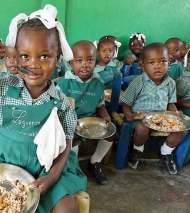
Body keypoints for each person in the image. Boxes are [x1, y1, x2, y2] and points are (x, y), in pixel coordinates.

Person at [0, 4, 86, 213]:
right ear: (15, 58)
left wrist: (52, 177)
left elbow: (67, 142)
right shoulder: (4, 85)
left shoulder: (60, 101)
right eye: (25, 56)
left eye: (44, 56)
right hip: (3, 160)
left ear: (57, 59)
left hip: (43, 166)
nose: (33, 64)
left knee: (66, 207)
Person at [120, 42, 188, 175]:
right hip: (142, 118)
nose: (158, 66)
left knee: (182, 129)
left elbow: (170, 103)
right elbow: (126, 103)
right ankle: (137, 149)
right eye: (151, 63)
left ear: (169, 63)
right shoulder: (138, 82)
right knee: (141, 129)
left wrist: (174, 112)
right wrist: (130, 116)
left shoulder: (170, 83)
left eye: (162, 61)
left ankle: (166, 152)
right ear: (143, 66)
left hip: (163, 119)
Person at [55, 40, 114, 185]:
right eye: (79, 60)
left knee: (111, 134)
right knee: (72, 139)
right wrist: (69, 121)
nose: (85, 64)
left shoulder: (98, 84)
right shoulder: (63, 84)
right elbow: (55, 108)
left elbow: (100, 105)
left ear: (96, 62)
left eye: (90, 60)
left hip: (90, 120)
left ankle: (95, 162)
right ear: (71, 63)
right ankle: (73, 166)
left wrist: (105, 115)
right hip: (68, 121)